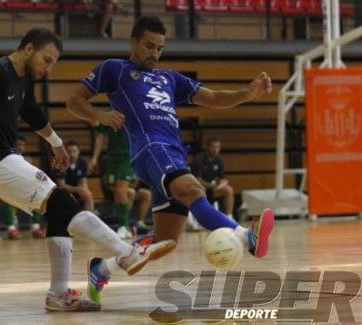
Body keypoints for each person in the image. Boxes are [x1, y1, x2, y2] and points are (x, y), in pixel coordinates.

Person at [0, 28, 176, 311]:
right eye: (47, 60)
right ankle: (126, 253)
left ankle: (59, 295)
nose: (49, 68)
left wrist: (56, 144)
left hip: (2, 160)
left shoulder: (23, 80)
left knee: (57, 212)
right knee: (62, 201)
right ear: (29, 49)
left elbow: (31, 113)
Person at [66, 16, 275, 304]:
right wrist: (98, 116)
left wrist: (248, 94)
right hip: (150, 148)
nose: (154, 53)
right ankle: (244, 237)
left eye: (159, 48)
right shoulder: (115, 69)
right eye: (149, 46)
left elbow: (213, 98)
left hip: (173, 152)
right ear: (134, 42)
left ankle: (102, 269)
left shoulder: (170, 78)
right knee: (194, 191)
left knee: (166, 241)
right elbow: (74, 100)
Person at [88, 123, 149, 239]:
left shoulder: (132, 111)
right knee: (118, 192)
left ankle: (123, 226)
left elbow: (142, 137)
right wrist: (95, 157)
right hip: (112, 157)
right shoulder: (108, 113)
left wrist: (139, 162)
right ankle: (125, 225)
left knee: (120, 190)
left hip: (128, 157)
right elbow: (100, 136)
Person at [192, 137, 234, 219]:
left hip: (211, 190)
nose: (216, 150)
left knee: (228, 190)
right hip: (199, 190)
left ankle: (229, 217)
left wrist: (223, 183)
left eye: (218, 147)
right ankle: (199, 218)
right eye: (213, 147)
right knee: (201, 189)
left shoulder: (218, 160)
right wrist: (213, 186)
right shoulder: (199, 159)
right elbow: (198, 181)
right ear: (207, 147)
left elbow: (223, 178)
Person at [56, 140, 95, 212]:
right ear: (65, 152)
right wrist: (78, 189)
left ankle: (89, 217)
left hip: (76, 190)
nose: (72, 154)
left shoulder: (82, 162)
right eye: (69, 151)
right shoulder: (61, 164)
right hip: (63, 193)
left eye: (74, 151)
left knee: (88, 194)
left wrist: (84, 190)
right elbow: (62, 186)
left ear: (78, 152)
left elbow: (83, 180)